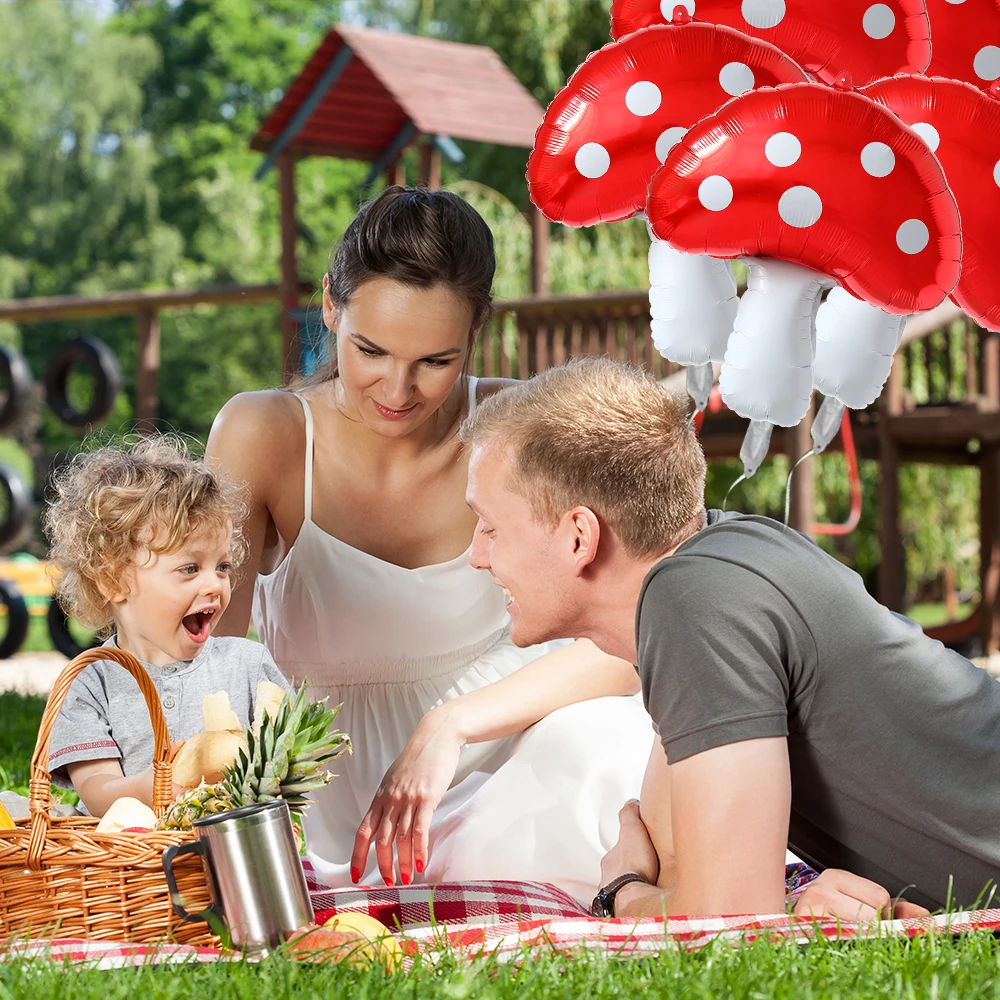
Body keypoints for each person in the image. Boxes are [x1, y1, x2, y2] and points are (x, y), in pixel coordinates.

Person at [205, 186, 652, 903]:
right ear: (330, 305)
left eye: (436, 361)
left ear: (477, 327)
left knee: (611, 751)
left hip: (502, 755)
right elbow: (207, 666)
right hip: (328, 797)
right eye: (370, 350)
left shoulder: (518, 425)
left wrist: (448, 726)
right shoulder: (265, 434)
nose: (398, 389)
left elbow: (628, 638)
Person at [460, 357, 1000, 921]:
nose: (476, 556)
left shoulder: (696, 601)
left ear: (578, 538)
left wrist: (619, 890)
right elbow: (680, 867)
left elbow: (727, 917)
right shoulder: (714, 562)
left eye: (492, 528)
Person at [45, 436, 289, 817]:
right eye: (189, 568)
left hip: (229, 849)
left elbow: (292, 757)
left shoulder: (247, 666)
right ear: (113, 580)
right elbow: (96, 792)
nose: (215, 585)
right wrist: (149, 788)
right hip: (131, 864)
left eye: (222, 567)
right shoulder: (92, 683)